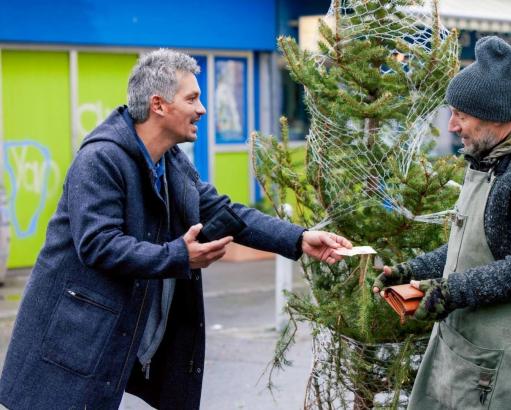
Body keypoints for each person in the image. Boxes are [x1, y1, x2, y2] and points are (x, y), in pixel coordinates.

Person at [0, 49, 352, 410]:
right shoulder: (100, 160)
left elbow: (224, 212)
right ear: (159, 105)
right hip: (69, 341)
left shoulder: (170, 163)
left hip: (107, 337)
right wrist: (178, 256)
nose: (201, 109)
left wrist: (299, 238)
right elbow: (99, 245)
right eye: (192, 98)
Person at [373, 36, 511, 410]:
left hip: (496, 361)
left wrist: (449, 292)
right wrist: (409, 271)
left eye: (460, 115)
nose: (452, 126)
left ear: (491, 116)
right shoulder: (488, 159)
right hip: (457, 345)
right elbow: (467, 249)